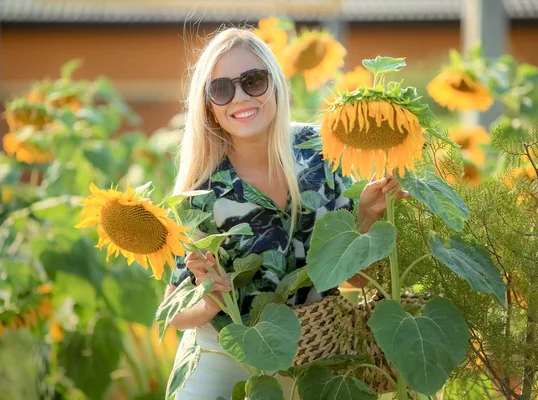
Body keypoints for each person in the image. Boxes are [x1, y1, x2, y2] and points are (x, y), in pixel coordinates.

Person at [164, 27, 409, 399]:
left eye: (253, 80)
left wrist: (365, 221)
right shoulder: (200, 193)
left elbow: (355, 281)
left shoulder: (323, 152)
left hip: (314, 359)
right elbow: (174, 313)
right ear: (209, 107)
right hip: (221, 355)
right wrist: (212, 296)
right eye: (222, 89)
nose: (241, 97)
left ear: (275, 83)